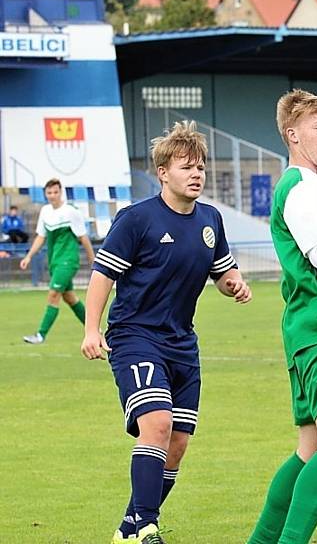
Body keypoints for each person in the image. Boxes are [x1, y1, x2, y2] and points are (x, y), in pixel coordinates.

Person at [80, 120, 252, 544]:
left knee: (177, 444)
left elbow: (222, 271)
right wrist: (91, 329)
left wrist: (234, 283)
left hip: (182, 344)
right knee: (155, 423)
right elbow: (102, 275)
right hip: (135, 337)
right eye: (186, 167)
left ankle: (128, 527)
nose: (196, 174)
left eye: (201, 168)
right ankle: (147, 527)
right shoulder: (136, 219)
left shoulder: (210, 220)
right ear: (163, 172)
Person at [247, 89, 317, 544]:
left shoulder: (311, 185)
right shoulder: (298, 186)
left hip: (312, 327)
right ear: (292, 134)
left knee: (309, 448)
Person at [19, 179, 95, 343]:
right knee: (70, 298)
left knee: (53, 294)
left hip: (67, 261)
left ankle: (41, 334)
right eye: (49, 193)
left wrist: (92, 260)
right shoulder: (45, 211)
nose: (52, 195)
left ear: (61, 193)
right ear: (45, 194)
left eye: (55, 192)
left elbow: (83, 237)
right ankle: (95, 330)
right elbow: (41, 236)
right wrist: (29, 256)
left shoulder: (71, 212)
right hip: (54, 261)